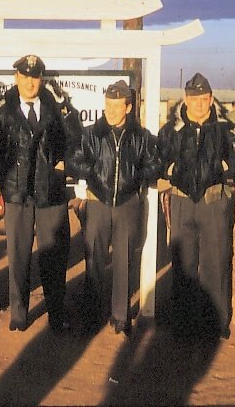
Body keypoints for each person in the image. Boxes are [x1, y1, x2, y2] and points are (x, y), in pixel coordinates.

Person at [0, 54, 81, 334]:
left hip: (50, 192)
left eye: (35, 77)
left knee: (54, 256)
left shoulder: (57, 108)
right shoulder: (2, 109)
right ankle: (19, 313)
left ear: (41, 79)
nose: (30, 82)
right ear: (16, 77)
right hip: (17, 193)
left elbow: (76, 140)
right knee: (18, 257)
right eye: (25, 77)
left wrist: (65, 166)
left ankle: (56, 313)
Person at [157, 72, 235, 339]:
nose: (199, 103)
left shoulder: (226, 128)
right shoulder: (171, 129)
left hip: (213, 201)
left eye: (204, 98)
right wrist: (171, 170)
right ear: (186, 99)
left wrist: (224, 169)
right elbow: (159, 158)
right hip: (182, 200)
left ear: (211, 99)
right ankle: (183, 324)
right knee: (183, 263)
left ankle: (216, 323)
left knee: (215, 262)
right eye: (194, 98)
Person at [66, 80, 159, 335]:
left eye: (117, 106)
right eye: (108, 105)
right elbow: (74, 160)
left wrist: (136, 177)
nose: (111, 111)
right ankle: (92, 315)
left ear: (128, 107)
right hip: (98, 201)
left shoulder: (141, 137)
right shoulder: (90, 134)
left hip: (128, 203)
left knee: (124, 259)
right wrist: (94, 174)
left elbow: (154, 164)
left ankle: (120, 315)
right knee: (94, 258)